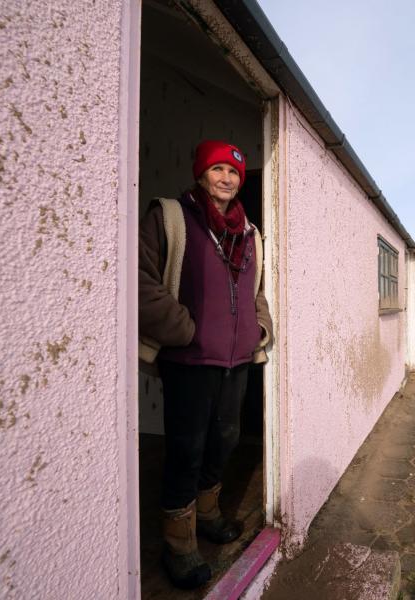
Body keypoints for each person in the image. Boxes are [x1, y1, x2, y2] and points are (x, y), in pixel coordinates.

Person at [138, 140, 272, 589]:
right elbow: (140, 282)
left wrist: (260, 329)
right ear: (201, 174)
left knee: (226, 439)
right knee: (186, 449)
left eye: (234, 171)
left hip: (235, 361)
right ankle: (178, 544)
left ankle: (210, 513)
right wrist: (185, 329)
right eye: (217, 168)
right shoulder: (172, 217)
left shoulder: (250, 233)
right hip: (190, 361)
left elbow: (256, 293)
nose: (227, 178)